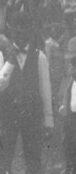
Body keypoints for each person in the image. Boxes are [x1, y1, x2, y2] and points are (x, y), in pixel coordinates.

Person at [0, 11, 54, 174]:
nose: (20, 36)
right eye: (16, 32)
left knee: (33, 160)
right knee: (3, 159)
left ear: (30, 32)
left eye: (24, 32)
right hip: (7, 112)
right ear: (10, 32)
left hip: (32, 112)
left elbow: (45, 91)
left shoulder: (39, 57)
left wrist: (48, 121)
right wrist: (10, 63)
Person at [59, 37, 76, 174]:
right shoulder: (71, 79)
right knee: (69, 145)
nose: (73, 64)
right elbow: (66, 92)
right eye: (72, 61)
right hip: (71, 119)